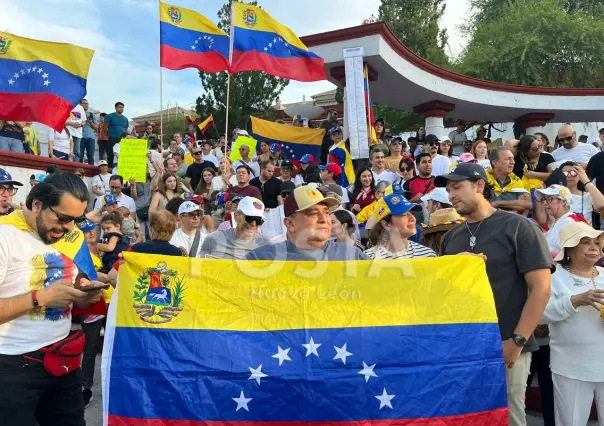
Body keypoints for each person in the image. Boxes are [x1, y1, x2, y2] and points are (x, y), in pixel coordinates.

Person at [437, 162, 553, 426]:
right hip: (464, 346)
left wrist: (517, 340)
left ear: (479, 185)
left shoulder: (519, 227)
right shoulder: (451, 236)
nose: (451, 195)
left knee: (509, 417)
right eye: (448, 190)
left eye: (457, 187)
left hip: (507, 342)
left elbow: (541, 289)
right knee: (469, 417)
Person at [0, 172, 104, 425]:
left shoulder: (71, 236)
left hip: (63, 361)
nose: (69, 227)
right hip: (10, 365)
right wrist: (41, 298)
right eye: (63, 218)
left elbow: (73, 295)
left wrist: (85, 296)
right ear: (37, 205)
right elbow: (48, 297)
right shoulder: (5, 235)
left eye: (76, 220)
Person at [541, 222, 604, 426]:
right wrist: (575, 300)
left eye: (597, 242)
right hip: (572, 366)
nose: (594, 247)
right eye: (585, 242)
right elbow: (540, 315)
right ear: (569, 249)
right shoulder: (554, 278)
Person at [246, 186, 366, 261]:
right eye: (313, 213)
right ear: (290, 224)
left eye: (326, 212)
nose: (324, 219)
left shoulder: (352, 255)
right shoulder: (262, 258)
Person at [364, 193, 435, 259]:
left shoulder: (427, 255)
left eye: (412, 213)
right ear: (386, 225)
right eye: (404, 214)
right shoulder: (367, 258)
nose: (412, 218)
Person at [201, 197, 270, 259]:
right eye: (250, 218)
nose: (253, 224)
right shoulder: (213, 238)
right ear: (236, 216)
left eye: (258, 221)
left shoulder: (266, 245)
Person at [487, 147, 532, 214]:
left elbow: (528, 204)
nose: (513, 162)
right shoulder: (484, 180)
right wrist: (515, 204)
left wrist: (497, 203)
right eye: (507, 159)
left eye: (513, 159)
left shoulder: (516, 180)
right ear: (495, 163)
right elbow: (484, 206)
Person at [560, 161, 604, 227]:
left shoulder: (587, 196)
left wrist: (585, 180)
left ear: (580, 175)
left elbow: (601, 204)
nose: (569, 175)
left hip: (584, 235)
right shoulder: (554, 195)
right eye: (565, 173)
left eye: (573, 172)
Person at [103, 102, 129, 167]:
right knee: (111, 154)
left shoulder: (125, 119)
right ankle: (110, 169)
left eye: (122, 107)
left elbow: (126, 130)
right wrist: (108, 135)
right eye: (120, 107)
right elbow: (104, 127)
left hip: (122, 140)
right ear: (115, 108)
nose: (121, 109)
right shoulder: (109, 116)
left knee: (122, 154)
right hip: (112, 138)